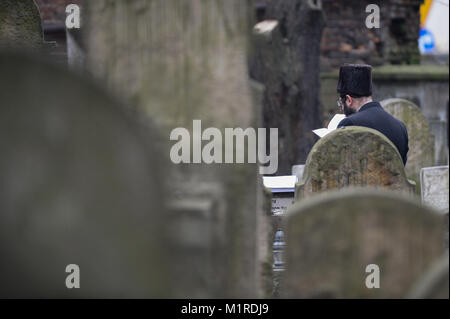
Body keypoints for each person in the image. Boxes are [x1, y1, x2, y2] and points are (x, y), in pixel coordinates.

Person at [336, 64, 409, 165]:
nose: (341, 108)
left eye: (340, 103)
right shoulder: (400, 126)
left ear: (348, 100)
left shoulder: (350, 123)